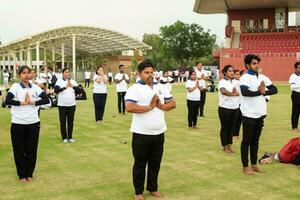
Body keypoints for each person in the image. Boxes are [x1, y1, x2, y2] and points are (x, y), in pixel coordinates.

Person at [125, 61, 176, 200]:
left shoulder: (161, 87)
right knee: (140, 164)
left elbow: (173, 103)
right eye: (146, 73)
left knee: (155, 163)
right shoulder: (134, 89)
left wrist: (162, 106)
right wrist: (148, 107)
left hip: (159, 133)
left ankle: (153, 188)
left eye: (151, 72)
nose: (150, 75)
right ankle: (139, 192)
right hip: (141, 134)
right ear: (139, 73)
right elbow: (129, 107)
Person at [5, 66, 49, 182]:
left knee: (31, 150)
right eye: (23, 73)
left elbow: (46, 100)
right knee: (19, 150)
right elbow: (7, 101)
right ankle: (21, 175)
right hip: (18, 123)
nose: (26, 75)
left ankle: (29, 173)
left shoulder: (35, 87)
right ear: (20, 75)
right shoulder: (15, 87)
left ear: (30, 75)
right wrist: (21, 103)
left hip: (33, 122)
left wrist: (33, 102)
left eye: (28, 73)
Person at [239, 54, 278, 175]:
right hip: (249, 114)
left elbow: (275, 89)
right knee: (246, 141)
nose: (256, 65)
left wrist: (264, 91)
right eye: (254, 63)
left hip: (260, 113)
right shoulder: (244, 78)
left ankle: (254, 164)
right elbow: (245, 92)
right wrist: (260, 92)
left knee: (255, 141)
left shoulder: (263, 77)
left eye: (257, 63)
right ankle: (245, 166)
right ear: (247, 65)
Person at [54, 68, 80, 143]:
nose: (67, 73)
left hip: (72, 104)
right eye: (66, 72)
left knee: (70, 121)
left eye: (68, 72)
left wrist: (72, 86)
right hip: (62, 105)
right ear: (63, 73)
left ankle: (70, 137)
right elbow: (56, 91)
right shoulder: (59, 81)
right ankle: (64, 138)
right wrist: (65, 87)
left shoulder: (73, 81)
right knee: (62, 121)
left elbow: (79, 91)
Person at [218, 65, 240, 153]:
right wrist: (232, 94)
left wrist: (236, 93)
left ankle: (230, 146)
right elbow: (223, 91)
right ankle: (225, 146)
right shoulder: (222, 82)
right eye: (230, 71)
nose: (232, 72)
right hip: (225, 108)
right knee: (225, 128)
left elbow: (238, 92)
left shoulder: (235, 82)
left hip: (235, 108)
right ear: (225, 72)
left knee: (231, 128)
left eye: (232, 71)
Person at [289, 62, 300, 133]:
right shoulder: (293, 76)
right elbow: (292, 87)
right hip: (296, 95)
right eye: (299, 68)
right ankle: (294, 127)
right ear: (295, 68)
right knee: (296, 111)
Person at [233, 70, 242, 140]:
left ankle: (237, 134)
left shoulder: (241, 81)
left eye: (239, 74)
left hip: (241, 103)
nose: (238, 76)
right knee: (235, 120)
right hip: (235, 103)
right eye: (236, 74)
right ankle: (233, 134)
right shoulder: (233, 82)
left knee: (239, 119)